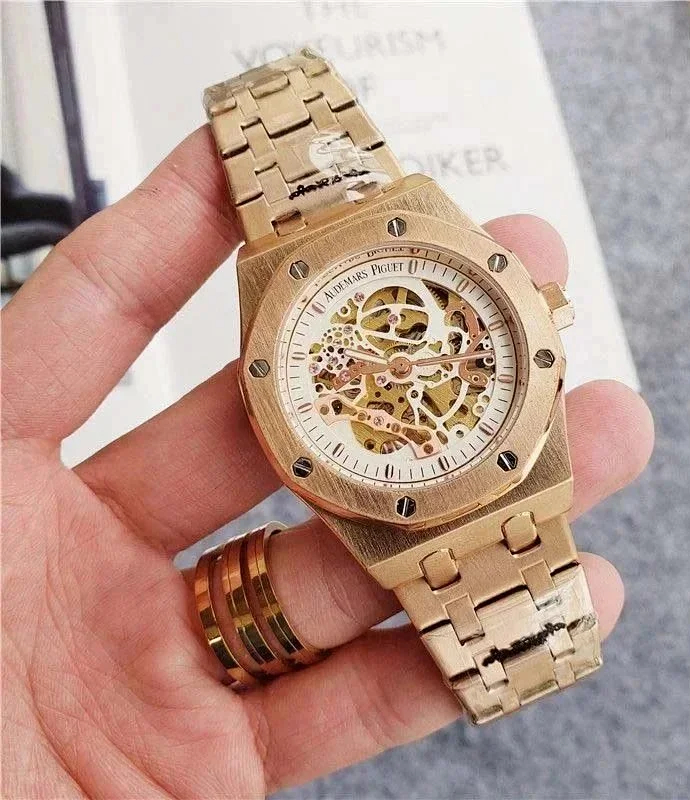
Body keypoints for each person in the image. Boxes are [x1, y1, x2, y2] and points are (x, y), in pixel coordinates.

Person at [1, 128, 654, 798]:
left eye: (405, 355)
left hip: (462, 459)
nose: (399, 368)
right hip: (405, 468)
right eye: (390, 360)